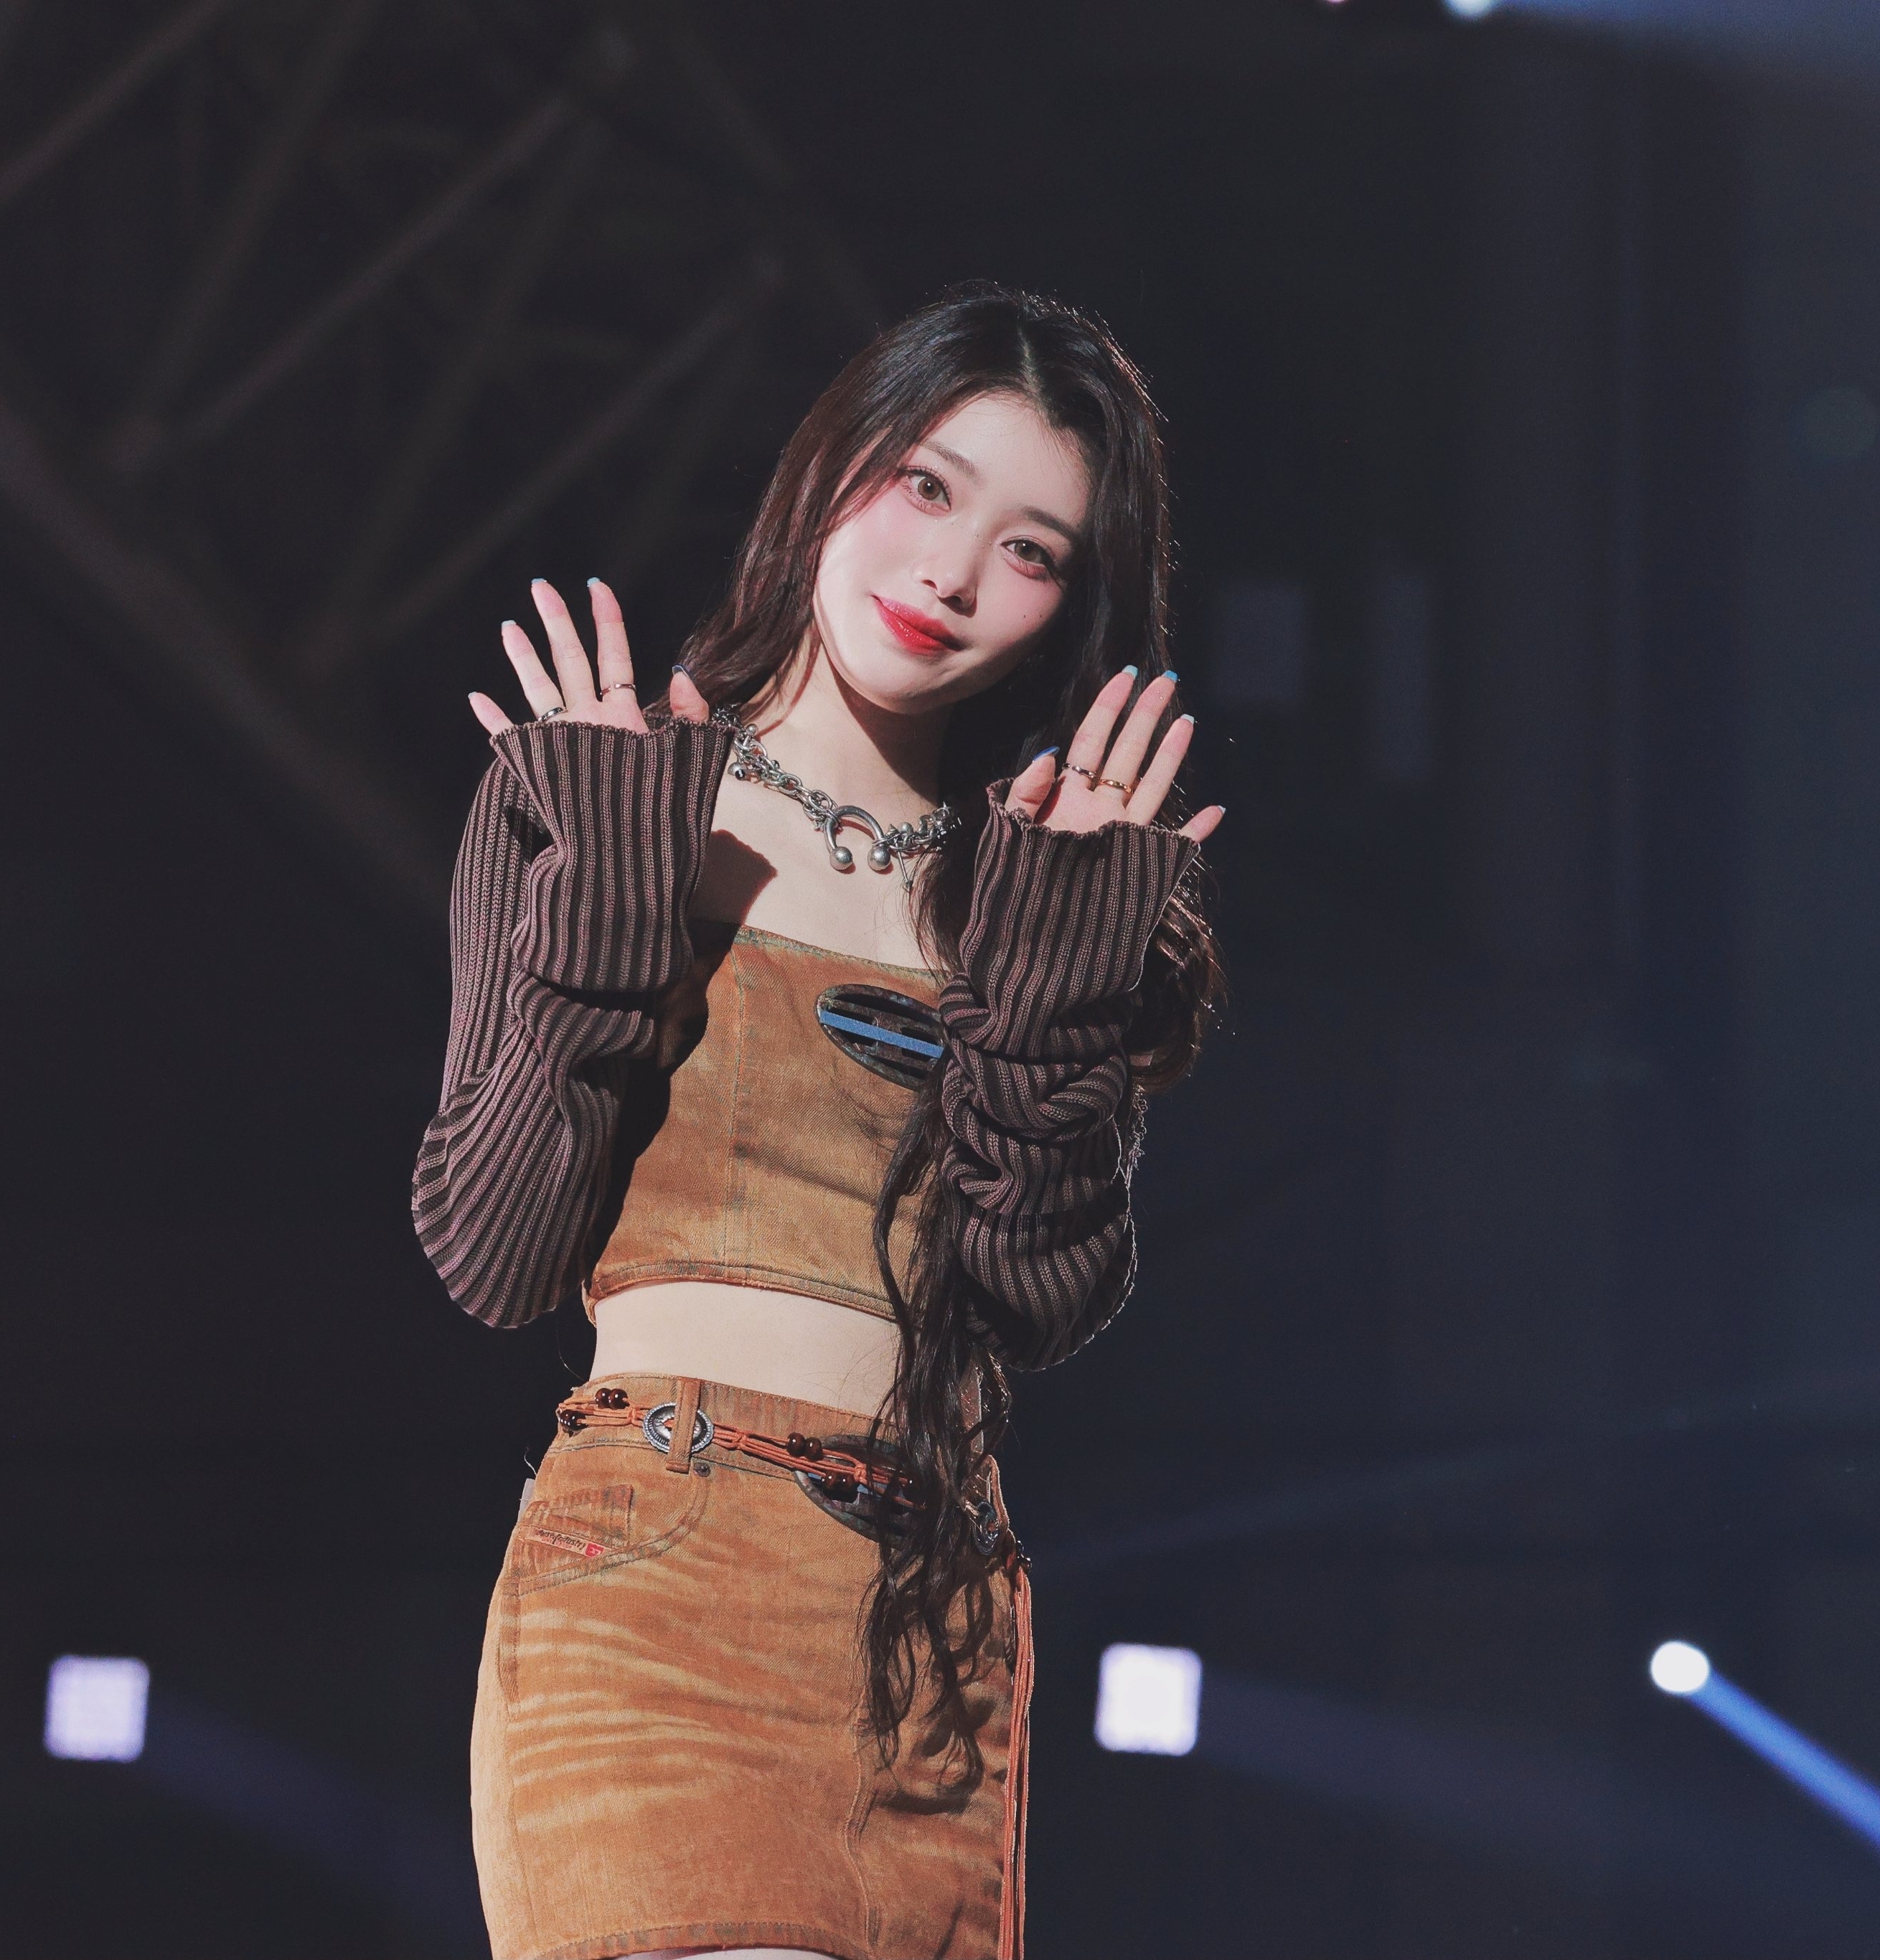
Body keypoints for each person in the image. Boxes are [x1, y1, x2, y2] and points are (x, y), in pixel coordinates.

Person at [414, 282, 1228, 1960]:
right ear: (831, 465)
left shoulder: (1022, 889)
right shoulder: (616, 791)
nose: (950, 574)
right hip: (661, 1565)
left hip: (933, 1621)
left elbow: (1041, 1297)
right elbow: (493, 1253)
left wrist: (1056, 981)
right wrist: (612, 896)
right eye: (926, 486)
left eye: (1028, 550)